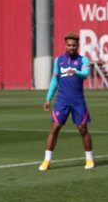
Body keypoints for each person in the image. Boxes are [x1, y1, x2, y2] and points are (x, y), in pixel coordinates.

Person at [39, 32, 94, 171]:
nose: (71, 47)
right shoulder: (59, 60)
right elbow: (54, 80)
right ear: (65, 45)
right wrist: (48, 98)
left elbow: (86, 74)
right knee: (55, 128)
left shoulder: (83, 60)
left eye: (74, 45)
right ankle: (47, 160)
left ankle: (89, 159)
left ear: (77, 45)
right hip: (61, 101)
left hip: (78, 101)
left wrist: (75, 72)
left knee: (82, 129)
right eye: (69, 45)